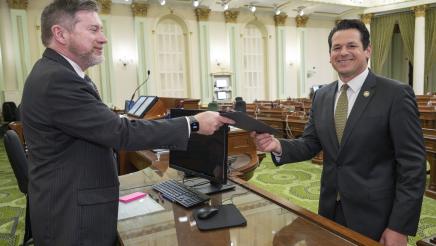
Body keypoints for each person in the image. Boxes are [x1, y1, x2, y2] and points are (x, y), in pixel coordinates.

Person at [20, 0, 234, 245]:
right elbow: (119, 132)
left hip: (70, 199)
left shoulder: (56, 72)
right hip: (72, 215)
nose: (103, 38)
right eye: (93, 30)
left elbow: (98, 126)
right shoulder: (58, 79)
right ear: (60, 33)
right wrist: (192, 123)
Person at [252, 19, 426, 245]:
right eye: (336, 48)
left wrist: (399, 227)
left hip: (376, 216)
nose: (343, 52)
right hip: (329, 208)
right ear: (330, 55)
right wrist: (277, 145)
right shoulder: (323, 95)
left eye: (351, 46)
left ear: (367, 51)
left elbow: (412, 165)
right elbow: (311, 143)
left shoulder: (395, 94)